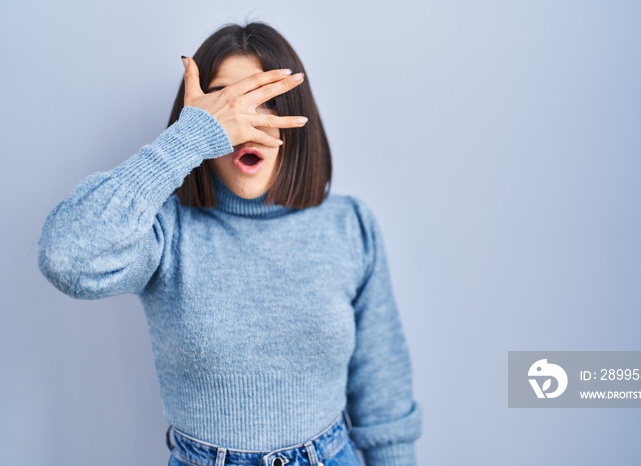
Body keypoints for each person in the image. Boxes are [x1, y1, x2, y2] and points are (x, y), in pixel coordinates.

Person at [38, 22, 421, 466]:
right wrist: (192, 137)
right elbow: (65, 256)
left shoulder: (350, 225)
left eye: (265, 102)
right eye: (227, 106)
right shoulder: (165, 232)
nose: (246, 124)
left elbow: (383, 389)